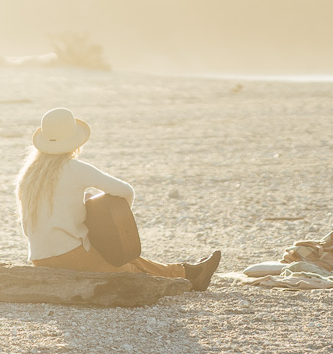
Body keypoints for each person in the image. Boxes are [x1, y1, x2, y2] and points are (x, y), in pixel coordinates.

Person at [15, 108, 221, 290]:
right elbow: (125, 191)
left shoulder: (28, 175)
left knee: (128, 258)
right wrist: (112, 222)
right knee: (126, 269)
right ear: (73, 140)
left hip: (39, 257)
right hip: (70, 254)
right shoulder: (75, 168)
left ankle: (189, 272)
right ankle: (188, 278)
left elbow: (30, 226)